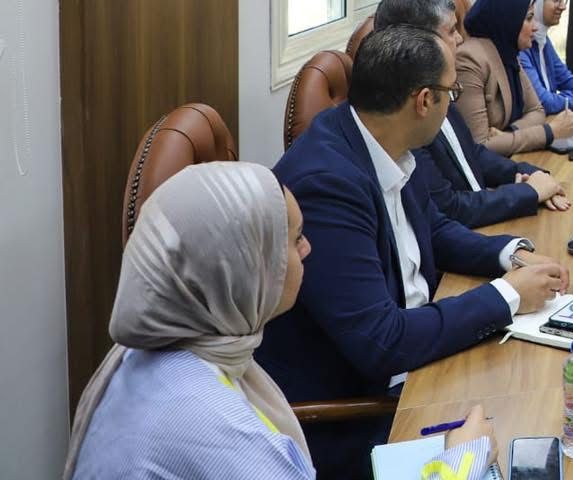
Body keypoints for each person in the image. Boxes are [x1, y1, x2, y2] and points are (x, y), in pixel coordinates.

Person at [258, 26, 568, 477]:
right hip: (362, 412)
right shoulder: (327, 184)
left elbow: (434, 229)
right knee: (535, 424)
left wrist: (510, 256)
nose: (453, 104)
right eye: (451, 93)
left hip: (417, 358)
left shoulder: (384, 141)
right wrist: (509, 295)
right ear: (424, 100)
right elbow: (382, 341)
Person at [65, 161, 496, 480]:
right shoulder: (209, 421)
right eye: (295, 239)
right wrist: (461, 461)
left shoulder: (154, 352)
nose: (308, 250)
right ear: (242, 267)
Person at [373, 0, 570, 228]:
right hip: (468, 230)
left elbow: (473, 153)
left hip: (482, 217)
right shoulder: (405, 114)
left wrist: (530, 173)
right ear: (419, 42)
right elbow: (450, 208)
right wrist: (529, 192)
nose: (459, 39)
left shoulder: (440, 84)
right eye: (451, 31)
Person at [455, 0, 573, 155]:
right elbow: (480, 146)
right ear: (507, 20)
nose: (535, 26)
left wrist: (509, 134)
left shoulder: (508, 53)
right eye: (529, 18)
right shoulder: (469, 60)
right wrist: (549, 132)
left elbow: (537, 110)